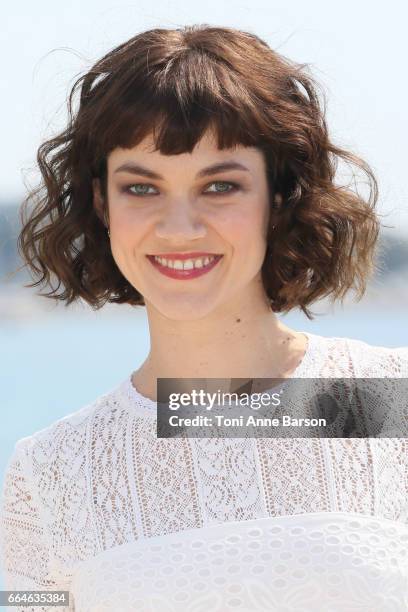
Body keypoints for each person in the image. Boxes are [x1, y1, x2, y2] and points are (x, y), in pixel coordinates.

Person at [1, 24, 407, 611]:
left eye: (220, 185)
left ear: (279, 196)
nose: (179, 227)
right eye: (142, 188)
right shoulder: (48, 473)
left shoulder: (388, 405)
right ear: (101, 205)